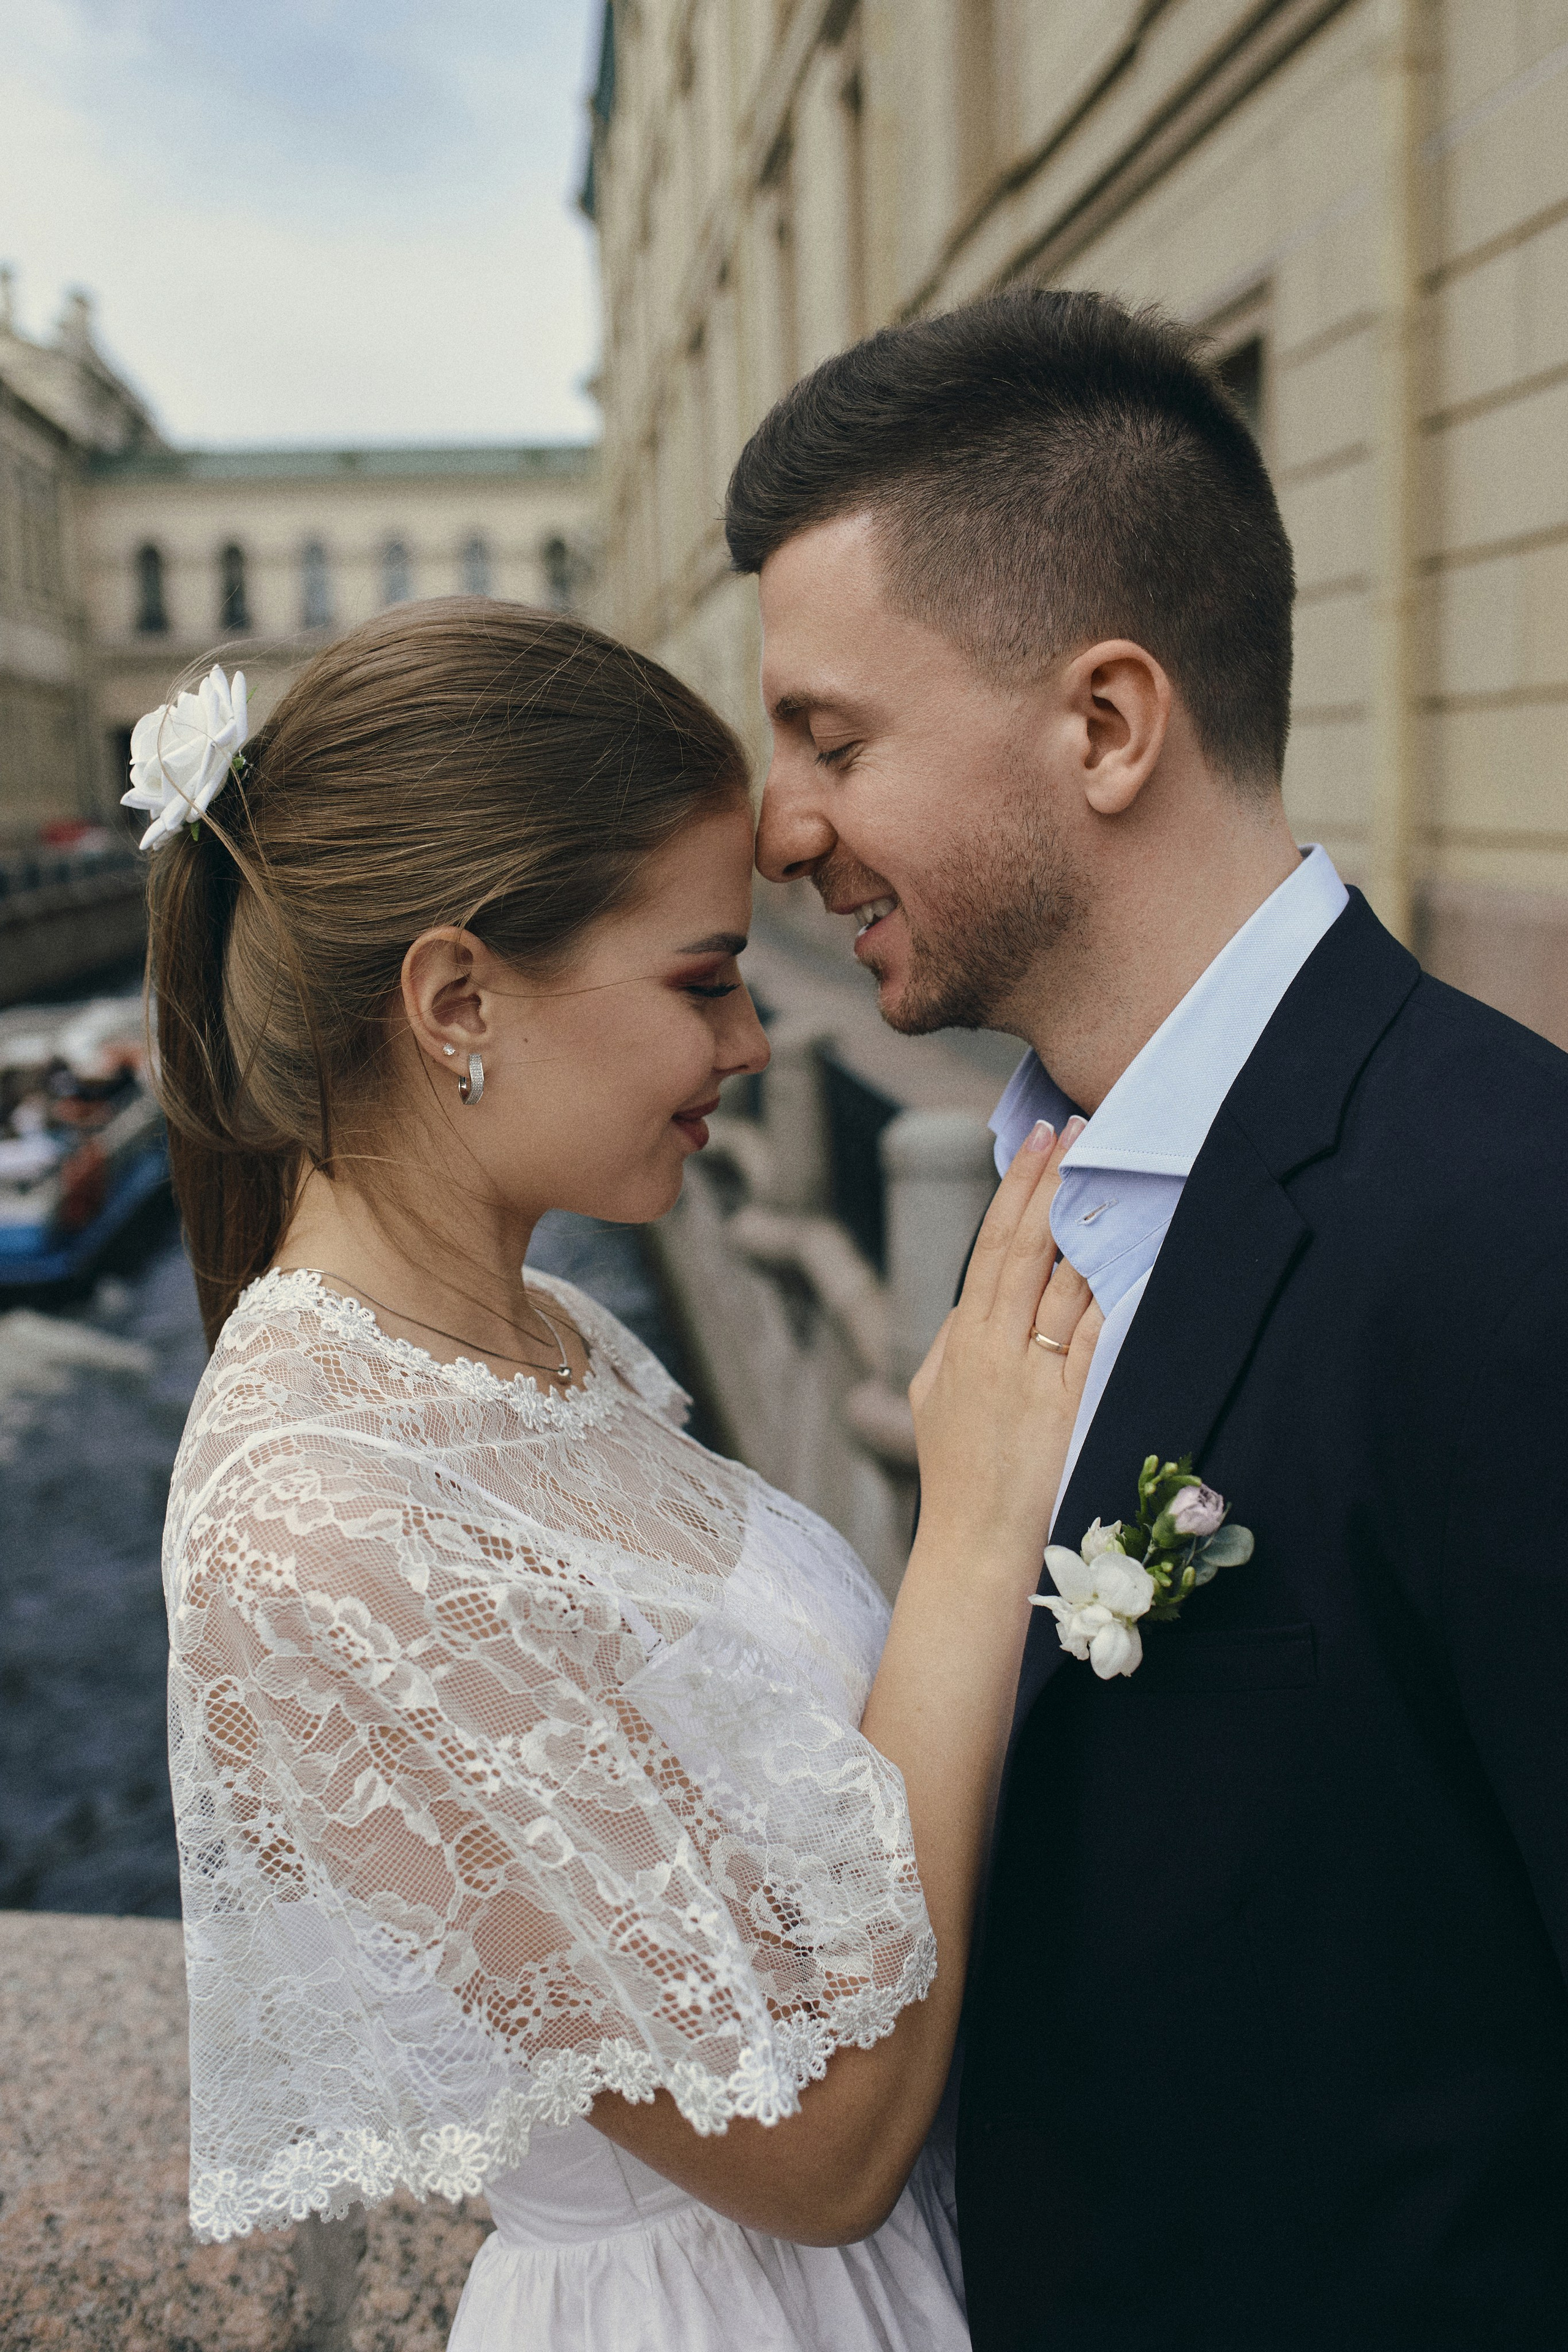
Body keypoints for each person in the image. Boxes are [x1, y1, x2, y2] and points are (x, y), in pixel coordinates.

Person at [731, 288, 1568, 2350]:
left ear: (1107, 726)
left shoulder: (1512, 1221)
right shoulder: (1039, 1194)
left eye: (834, 741)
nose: (780, 827)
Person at [145, 600, 1101, 2351]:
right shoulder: (310, 1527)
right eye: (701, 980)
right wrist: (974, 1530)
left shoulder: (553, 1338)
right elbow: (820, 2151)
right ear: (457, 1001)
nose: (752, 1044)